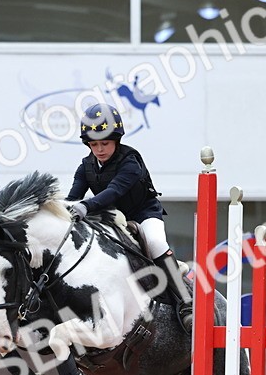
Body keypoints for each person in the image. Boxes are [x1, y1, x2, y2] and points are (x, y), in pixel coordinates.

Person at [65, 103, 192, 331]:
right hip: (112, 219)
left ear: (116, 140)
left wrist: (85, 206)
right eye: (94, 144)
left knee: (155, 241)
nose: (99, 149)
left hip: (143, 214)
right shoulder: (85, 167)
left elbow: (114, 191)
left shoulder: (131, 161)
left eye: (105, 143)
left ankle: (186, 302)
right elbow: (73, 197)